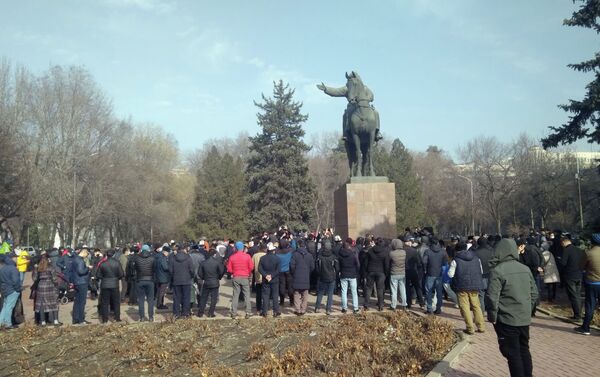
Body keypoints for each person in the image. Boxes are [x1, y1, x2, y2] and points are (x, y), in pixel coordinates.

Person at [486, 238, 538, 377]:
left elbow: (492, 297)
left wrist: (492, 317)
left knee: (512, 354)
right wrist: (527, 309)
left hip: (507, 319)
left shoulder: (497, 271)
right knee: (524, 350)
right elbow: (534, 293)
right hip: (523, 319)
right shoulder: (525, 269)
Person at [448, 242, 485, 335]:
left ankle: (470, 328)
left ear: (457, 250)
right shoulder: (476, 258)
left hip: (461, 286)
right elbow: (481, 271)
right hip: (475, 285)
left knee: (465, 307)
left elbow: (450, 274)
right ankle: (481, 326)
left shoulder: (455, 260)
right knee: (476, 306)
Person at [574, 232, 600, 335]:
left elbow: (581, 266)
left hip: (592, 282)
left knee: (590, 305)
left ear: (592, 242)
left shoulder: (589, 253)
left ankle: (586, 328)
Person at [559, 234, 586, 320]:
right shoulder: (579, 250)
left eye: (561, 244)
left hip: (570, 276)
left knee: (573, 295)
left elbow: (563, 263)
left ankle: (577, 316)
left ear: (563, 242)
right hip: (579, 275)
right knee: (577, 295)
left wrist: (559, 260)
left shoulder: (566, 250)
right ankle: (579, 313)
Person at [32, 254, 61, 326]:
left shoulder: (38, 268)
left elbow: (34, 279)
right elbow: (54, 279)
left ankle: (43, 322)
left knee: (42, 304)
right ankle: (56, 321)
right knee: (54, 303)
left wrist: (35, 269)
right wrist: (57, 285)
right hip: (50, 285)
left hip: (41, 286)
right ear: (48, 260)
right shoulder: (51, 267)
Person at [95, 248, 124, 323]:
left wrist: (104, 277)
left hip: (105, 284)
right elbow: (121, 274)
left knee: (105, 302)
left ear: (107, 255)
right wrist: (116, 277)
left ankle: (105, 320)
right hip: (115, 284)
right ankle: (117, 318)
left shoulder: (102, 263)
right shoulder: (117, 263)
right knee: (116, 302)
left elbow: (98, 275)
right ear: (114, 255)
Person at [227, 241, 254, 319]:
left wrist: (234, 272)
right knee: (247, 295)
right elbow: (251, 267)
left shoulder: (232, 257)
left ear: (236, 248)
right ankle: (248, 312)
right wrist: (248, 272)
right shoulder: (247, 256)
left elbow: (229, 269)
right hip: (245, 277)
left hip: (236, 277)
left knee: (235, 295)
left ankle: (233, 313)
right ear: (243, 248)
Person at [363, 238, 390, 311]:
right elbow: (386, 264)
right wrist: (386, 273)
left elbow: (366, 263)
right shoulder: (385, 252)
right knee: (380, 289)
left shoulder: (370, 251)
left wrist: (366, 272)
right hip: (381, 272)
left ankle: (366, 304)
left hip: (370, 271)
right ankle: (380, 305)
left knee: (369, 288)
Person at [197, 249, 225, 318]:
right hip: (215, 282)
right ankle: (210, 313)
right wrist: (219, 277)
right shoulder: (217, 262)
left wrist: (204, 278)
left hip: (206, 282)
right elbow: (222, 271)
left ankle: (200, 313)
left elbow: (199, 273)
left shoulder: (203, 263)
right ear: (214, 255)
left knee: (203, 298)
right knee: (214, 299)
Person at [423, 237, 448, 314]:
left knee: (428, 291)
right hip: (439, 274)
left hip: (430, 273)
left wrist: (425, 269)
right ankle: (438, 308)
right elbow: (445, 263)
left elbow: (424, 261)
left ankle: (429, 308)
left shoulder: (427, 251)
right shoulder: (443, 252)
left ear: (430, 243)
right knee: (439, 292)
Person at [170, 244, 195, 318]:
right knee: (186, 297)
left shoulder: (173, 258)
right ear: (184, 249)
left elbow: (170, 270)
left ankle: (176, 313)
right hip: (186, 280)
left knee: (176, 298)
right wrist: (191, 276)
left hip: (176, 280)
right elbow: (192, 270)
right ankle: (185, 313)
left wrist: (173, 277)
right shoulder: (188, 257)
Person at [290, 239, 314, 315]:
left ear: (298, 245)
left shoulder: (295, 254)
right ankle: (303, 309)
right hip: (306, 276)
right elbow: (312, 267)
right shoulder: (309, 255)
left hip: (297, 276)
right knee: (305, 294)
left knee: (296, 293)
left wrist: (294, 273)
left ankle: (297, 309)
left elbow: (291, 266)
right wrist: (308, 272)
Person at [314, 241, 338, 315]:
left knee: (320, 293)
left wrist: (319, 274)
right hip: (331, 277)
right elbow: (337, 268)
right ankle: (328, 309)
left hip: (322, 277)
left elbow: (317, 268)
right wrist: (335, 274)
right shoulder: (333, 257)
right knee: (330, 294)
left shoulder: (320, 257)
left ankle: (317, 307)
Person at [259, 242, 282, 317]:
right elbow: (278, 270)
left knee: (265, 296)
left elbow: (260, 269)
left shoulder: (262, 258)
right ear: (273, 250)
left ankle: (265, 311)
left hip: (265, 279)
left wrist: (266, 276)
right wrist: (271, 276)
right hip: (274, 279)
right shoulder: (277, 258)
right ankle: (276, 311)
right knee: (275, 295)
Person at [338, 238, 360, 314]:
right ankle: (355, 308)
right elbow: (357, 265)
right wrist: (356, 271)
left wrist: (339, 271)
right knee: (354, 292)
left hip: (343, 274)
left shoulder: (340, 255)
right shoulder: (353, 254)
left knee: (344, 292)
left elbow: (338, 266)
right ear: (349, 246)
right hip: (352, 274)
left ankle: (344, 308)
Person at [135, 244, 156, 322]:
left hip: (140, 280)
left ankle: (142, 317)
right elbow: (154, 269)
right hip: (150, 280)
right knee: (150, 300)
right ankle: (151, 317)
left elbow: (136, 269)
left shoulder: (137, 259)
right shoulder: (152, 258)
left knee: (141, 299)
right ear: (148, 250)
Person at [0, 252, 21, 329]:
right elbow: (16, 281)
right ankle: (8, 324)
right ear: (12, 259)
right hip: (12, 290)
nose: (17, 259)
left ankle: (1, 322)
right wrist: (18, 290)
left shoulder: (3, 268)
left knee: (5, 307)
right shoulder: (13, 268)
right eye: (16, 257)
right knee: (9, 307)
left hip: (5, 290)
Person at [71, 248, 91, 325]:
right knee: (82, 302)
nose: (87, 256)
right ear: (84, 253)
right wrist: (88, 268)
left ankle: (75, 319)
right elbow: (81, 271)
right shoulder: (80, 260)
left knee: (77, 301)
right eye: (87, 254)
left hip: (76, 281)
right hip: (82, 282)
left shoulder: (75, 259)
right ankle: (81, 319)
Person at [475, 237, 494, 313]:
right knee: (490, 295)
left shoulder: (475, 253)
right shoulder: (491, 251)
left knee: (481, 295)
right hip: (491, 275)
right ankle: (491, 312)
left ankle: (481, 313)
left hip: (480, 276)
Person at [405, 237, 424, 309]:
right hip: (414, 270)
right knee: (417, 287)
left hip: (406, 271)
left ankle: (408, 304)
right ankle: (421, 303)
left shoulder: (403, 251)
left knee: (407, 288)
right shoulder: (414, 251)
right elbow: (419, 263)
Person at [388, 239, 407, 310]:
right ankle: (404, 304)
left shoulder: (391, 253)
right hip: (402, 273)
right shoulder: (404, 252)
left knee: (394, 290)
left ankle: (393, 305)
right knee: (403, 289)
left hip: (394, 273)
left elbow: (389, 263)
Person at [276, 239, 294, 306]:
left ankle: (282, 301)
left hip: (280, 271)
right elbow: (293, 247)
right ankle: (292, 301)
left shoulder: (277, 253)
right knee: (290, 286)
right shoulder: (290, 252)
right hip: (288, 270)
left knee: (282, 286)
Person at [251, 244, 267, 313]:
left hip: (257, 277)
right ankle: (265, 308)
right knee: (266, 294)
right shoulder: (266, 255)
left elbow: (252, 266)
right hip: (265, 277)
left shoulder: (255, 255)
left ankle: (258, 308)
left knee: (258, 294)